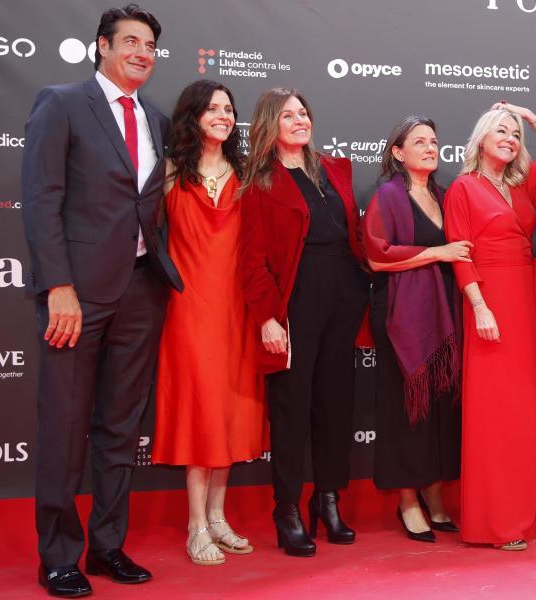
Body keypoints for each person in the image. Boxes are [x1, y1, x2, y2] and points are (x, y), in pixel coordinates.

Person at [20, 4, 181, 596]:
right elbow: (42, 198)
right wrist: (58, 286)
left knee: (120, 427)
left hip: (141, 288)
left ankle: (108, 545)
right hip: (78, 294)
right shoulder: (62, 103)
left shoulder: (156, 119)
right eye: (130, 41)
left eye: (150, 45)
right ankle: (58, 556)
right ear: (102, 46)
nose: (142, 52)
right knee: (65, 427)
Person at [238, 88, 368, 556]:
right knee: (291, 409)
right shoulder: (259, 183)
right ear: (269, 125)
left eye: (303, 113)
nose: (300, 121)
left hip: (344, 298)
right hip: (295, 302)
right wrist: (268, 318)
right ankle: (287, 509)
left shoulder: (334, 168)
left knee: (336, 405)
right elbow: (251, 261)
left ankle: (328, 499)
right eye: (288, 115)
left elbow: (354, 234)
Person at [151, 80, 267, 565]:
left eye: (229, 109)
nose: (223, 115)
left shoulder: (247, 174)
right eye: (213, 108)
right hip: (189, 308)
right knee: (200, 411)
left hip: (237, 310)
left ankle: (218, 517)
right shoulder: (169, 172)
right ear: (193, 115)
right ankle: (195, 523)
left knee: (230, 412)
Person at [443, 102, 536, 551]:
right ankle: (497, 522)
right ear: (481, 139)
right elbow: (461, 254)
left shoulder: (520, 186)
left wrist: (529, 117)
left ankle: (525, 513)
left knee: (524, 410)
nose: (511, 139)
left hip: (526, 303)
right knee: (494, 414)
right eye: (502, 131)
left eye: (516, 135)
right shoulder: (463, 188)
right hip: (490, 302)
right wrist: (479, 307)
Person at [363, 115, 470, 543]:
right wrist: (437, 252)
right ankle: (407, 500)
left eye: (434, 141)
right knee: (406, 408)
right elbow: (377, 256)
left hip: (445, 315)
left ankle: (434, 492)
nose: (430, 148)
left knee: (441, 407)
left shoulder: (446, 195)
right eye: (420, 142)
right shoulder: (389, 196)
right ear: (398, 152)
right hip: (401, 317)